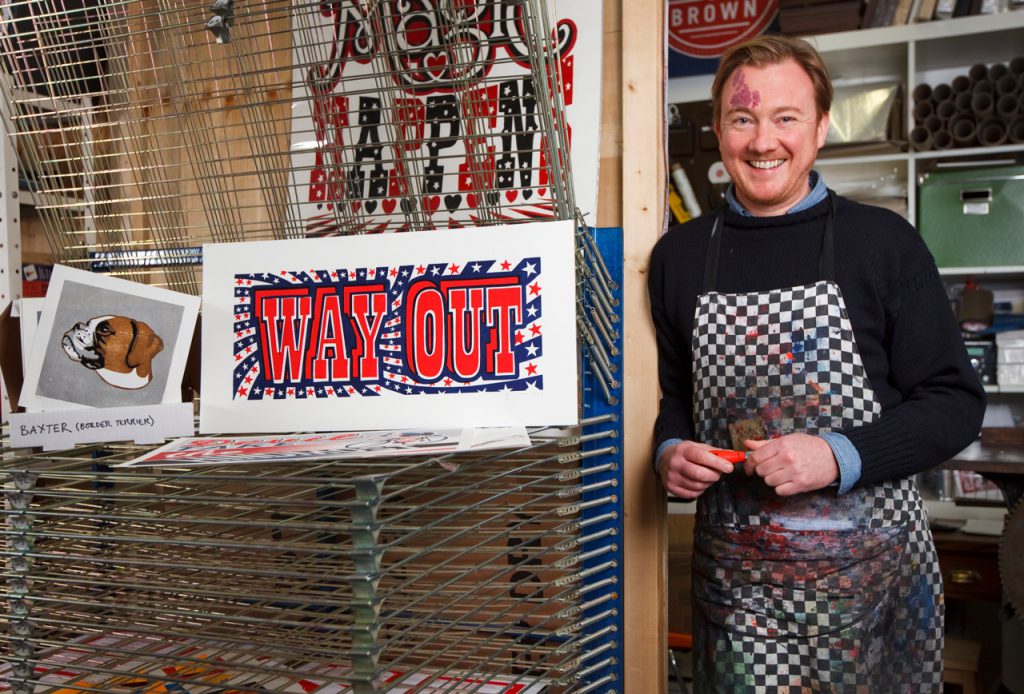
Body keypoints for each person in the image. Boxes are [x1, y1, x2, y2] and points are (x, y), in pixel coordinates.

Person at [648, 34, 985, 692]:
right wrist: (669, 452)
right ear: (717, 129)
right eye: (742, 119)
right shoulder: (678, 258)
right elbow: (674, 397)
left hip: (872, 588)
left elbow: (954, 403)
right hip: (740, 594)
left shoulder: (882, 242)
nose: (763, 141)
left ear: (821, 127)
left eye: (786, 117)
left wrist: (837, 454)